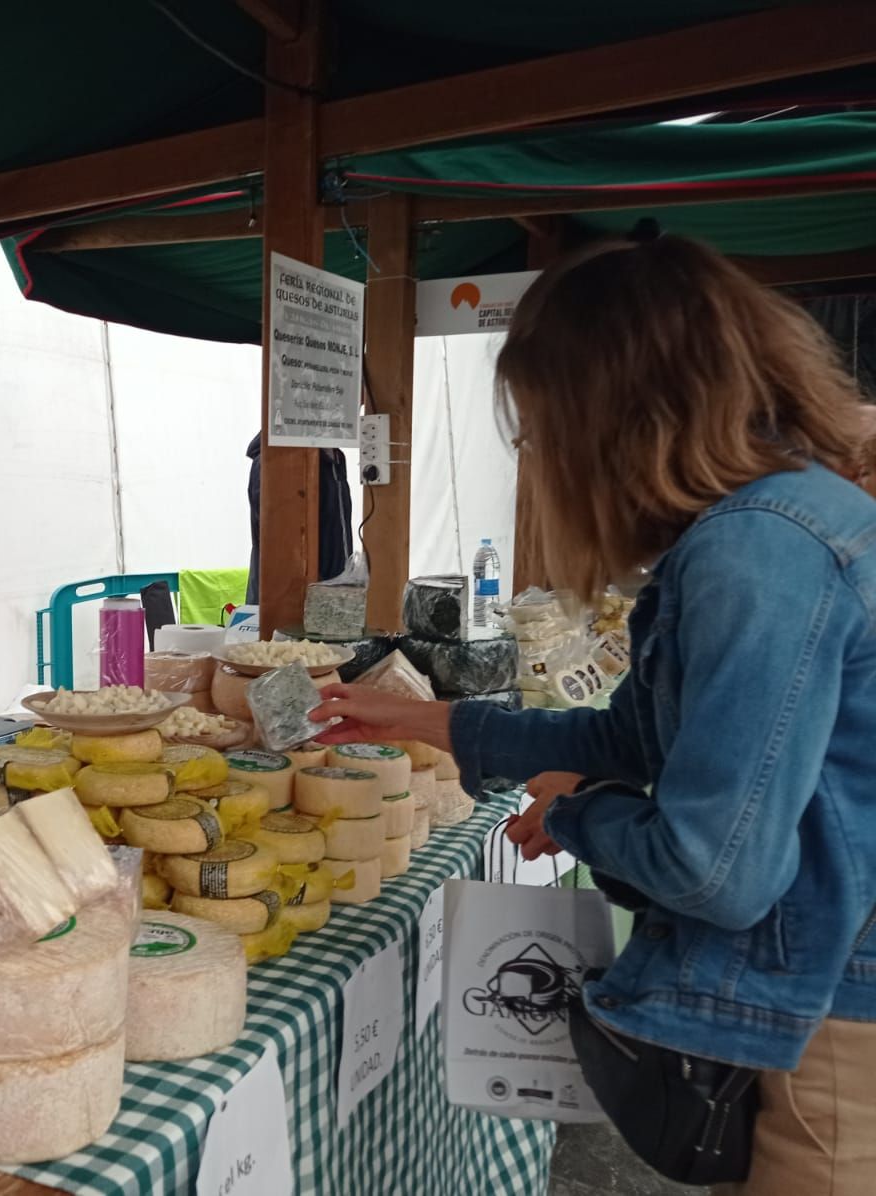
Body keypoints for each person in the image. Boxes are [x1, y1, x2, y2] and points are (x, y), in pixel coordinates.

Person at [309, 236, 876, 1194]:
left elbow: (715, 867)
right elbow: (632, 737)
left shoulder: (758, 554)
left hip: (831, 1026)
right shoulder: (772, 522)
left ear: (612, 417)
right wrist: (427, 721)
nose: (542, 460)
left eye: (538, 429)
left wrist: (580, 813)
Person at [246, 437, 353, 604]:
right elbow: (279, 538)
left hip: (329, 585)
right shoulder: (277, 460)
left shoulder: (332, 458)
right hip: (293, 595)